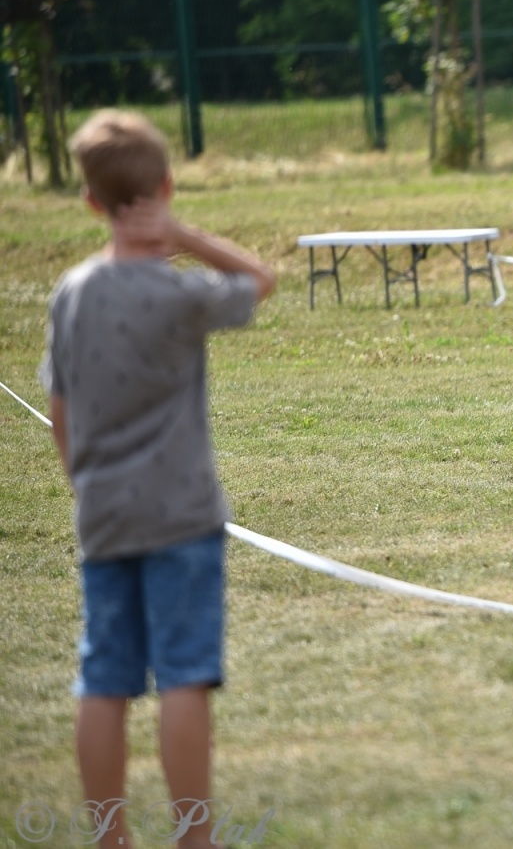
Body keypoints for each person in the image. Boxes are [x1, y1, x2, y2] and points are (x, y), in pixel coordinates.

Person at [40, 110, 276, 849]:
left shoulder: (71, 292)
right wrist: (185, 236)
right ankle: (193, 836)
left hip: (104, 513)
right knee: (184, 675)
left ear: (90, 201)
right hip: (182, 515)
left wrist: (84, 486)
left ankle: (109, 837)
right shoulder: (181, 294)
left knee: (103, 679)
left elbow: (60, 409)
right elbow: (259, 280)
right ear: (167, 187)